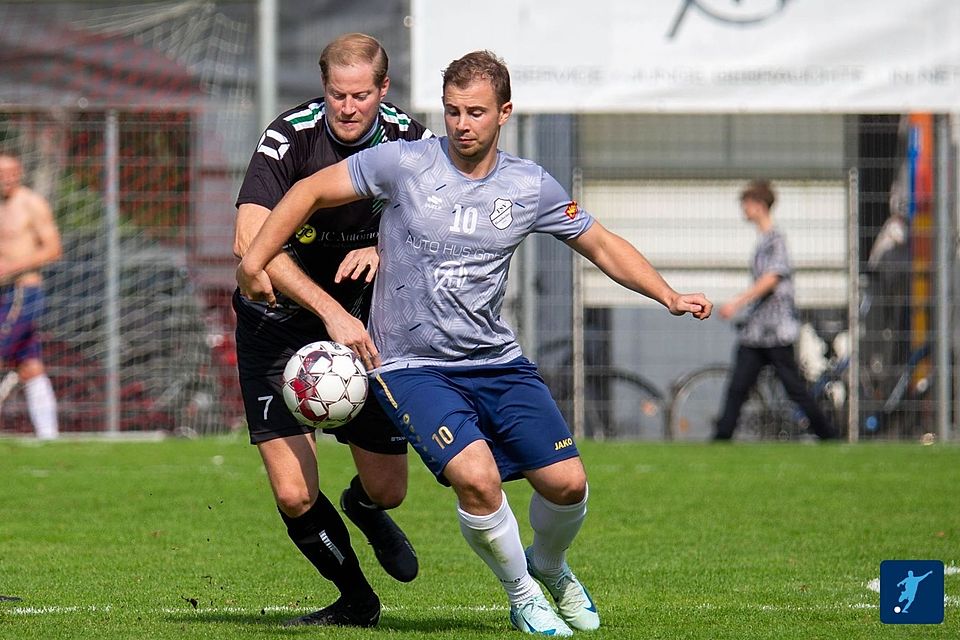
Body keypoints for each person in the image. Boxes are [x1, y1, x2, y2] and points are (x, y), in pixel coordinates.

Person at [237, 50, 711, 637]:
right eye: (454, 111)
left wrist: (666, 294)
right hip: (410, 365)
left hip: (495, 359)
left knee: (568, 484)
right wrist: (255, 257)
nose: (463, 124)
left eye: (477, 112)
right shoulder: (403, 162)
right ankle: (521, 594)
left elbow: (601, 244)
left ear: (504, 113)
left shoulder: (528, 184)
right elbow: (307, 191)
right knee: (477, 477)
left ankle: (551, 567)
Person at [232, 33, 432, 628]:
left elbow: (439, 230)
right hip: (278, 325)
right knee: (293, 493)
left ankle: (364, 509)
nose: (348, 108)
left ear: (383, 90)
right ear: (324, 90)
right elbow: (250, 245)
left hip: (366, 327)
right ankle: (356, 599)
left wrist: (381, 245)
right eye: (337, 95)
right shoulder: (288, 137)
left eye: (361, 95)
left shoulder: (412, 141)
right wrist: (329, 311)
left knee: (390, 489)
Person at [714, 180, 838, 441]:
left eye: (746, 204)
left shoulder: (775, 240)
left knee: (794, 388)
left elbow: (773, 277)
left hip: (776, 331)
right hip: (758, 331)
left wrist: (738, 302)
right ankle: (721, 437)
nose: (744, 210)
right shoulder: (764, 241)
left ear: (759, 206)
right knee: (738, 386)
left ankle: (827, 435)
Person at [0, 151, 62, 440]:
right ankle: (49, 437)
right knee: (30, 364)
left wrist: (12, 267)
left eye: (11, 173)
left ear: (20, 173)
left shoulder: (31, 204)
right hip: (4, 293)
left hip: (24, 291)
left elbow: (53, 249)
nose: (6, 179)